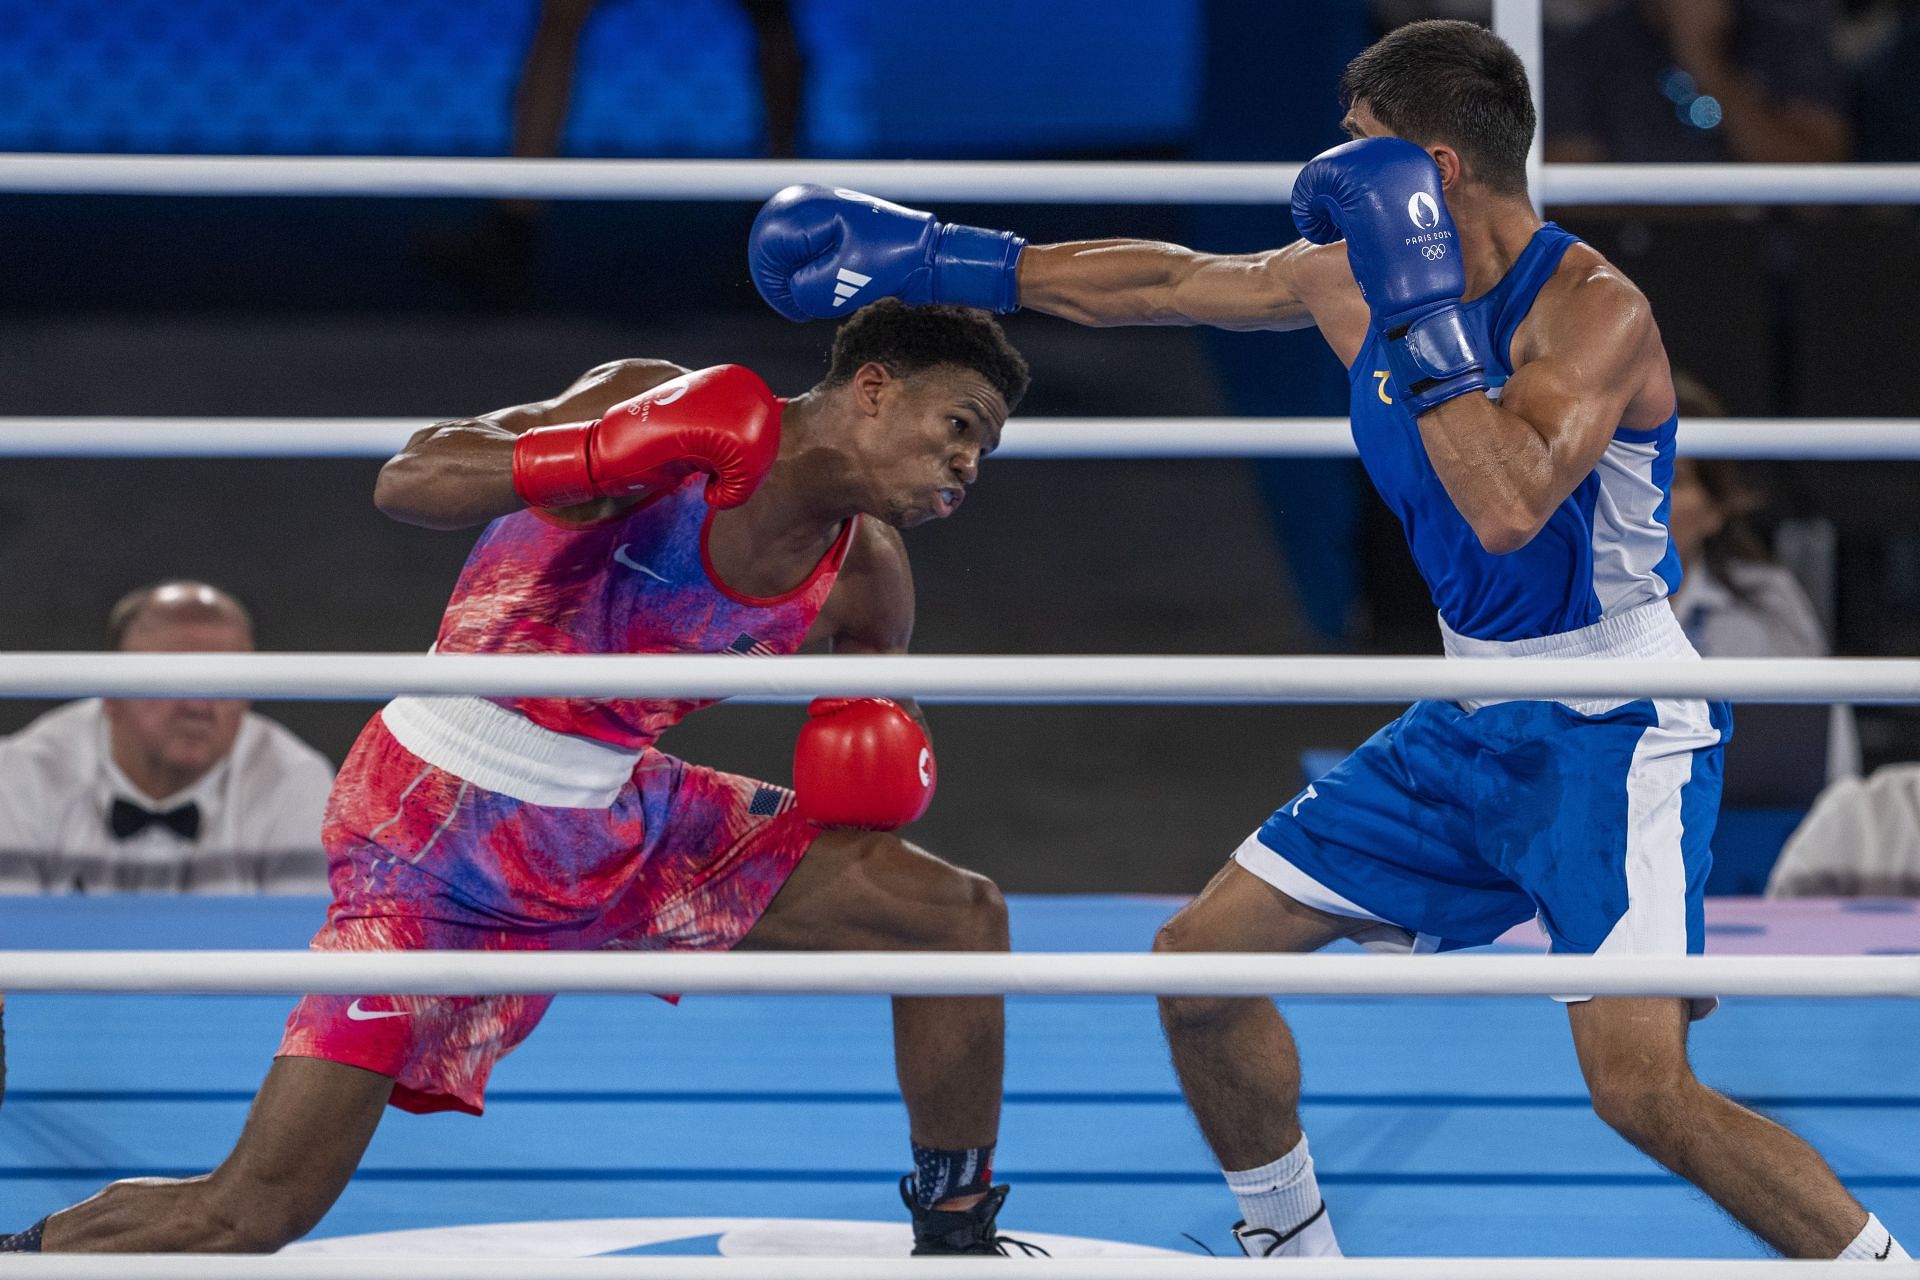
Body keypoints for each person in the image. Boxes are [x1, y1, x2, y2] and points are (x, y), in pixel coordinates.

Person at [746, 18, 1908, 1263]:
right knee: (1195, 969)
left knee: (1643, 1092)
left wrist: (1419, 319)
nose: (1332, 169)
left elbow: (1509, 509)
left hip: (1609, 723)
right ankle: (1291, 1246)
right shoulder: (1348, 275)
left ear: (1434, 170)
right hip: (1471, 717)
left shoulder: (1592, 313)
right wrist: (938, 259)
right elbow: (1164, 282)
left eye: (1360, 146)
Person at [2, 300, 1035, 1257]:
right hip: (436, 833)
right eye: (959, 422)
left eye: (985, 445)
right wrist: (600, 454)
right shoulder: (656, 400)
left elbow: (873, 758)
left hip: (621, 816)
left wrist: (885, 750)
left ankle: (955, 1230)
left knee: (954, 915)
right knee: (250, 1212)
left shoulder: (867, 573)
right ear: (873, 385)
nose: (967, 459)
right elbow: (409, 478)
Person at [0, 580, 334, 895]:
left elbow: (301, 946)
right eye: (172, 678)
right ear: (110, 693)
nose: (198, 706)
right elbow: (10, 943)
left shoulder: (295, 780)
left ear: (248, 698)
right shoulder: (21, 774)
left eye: (225, 681)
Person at [1544, 0, 1849, 164]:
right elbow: (1568, 188)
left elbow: (1818, 188)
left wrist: (1703, 58)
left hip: (1766, 267)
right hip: (1630, 265)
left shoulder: (1786, 36)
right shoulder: (1588, 48)